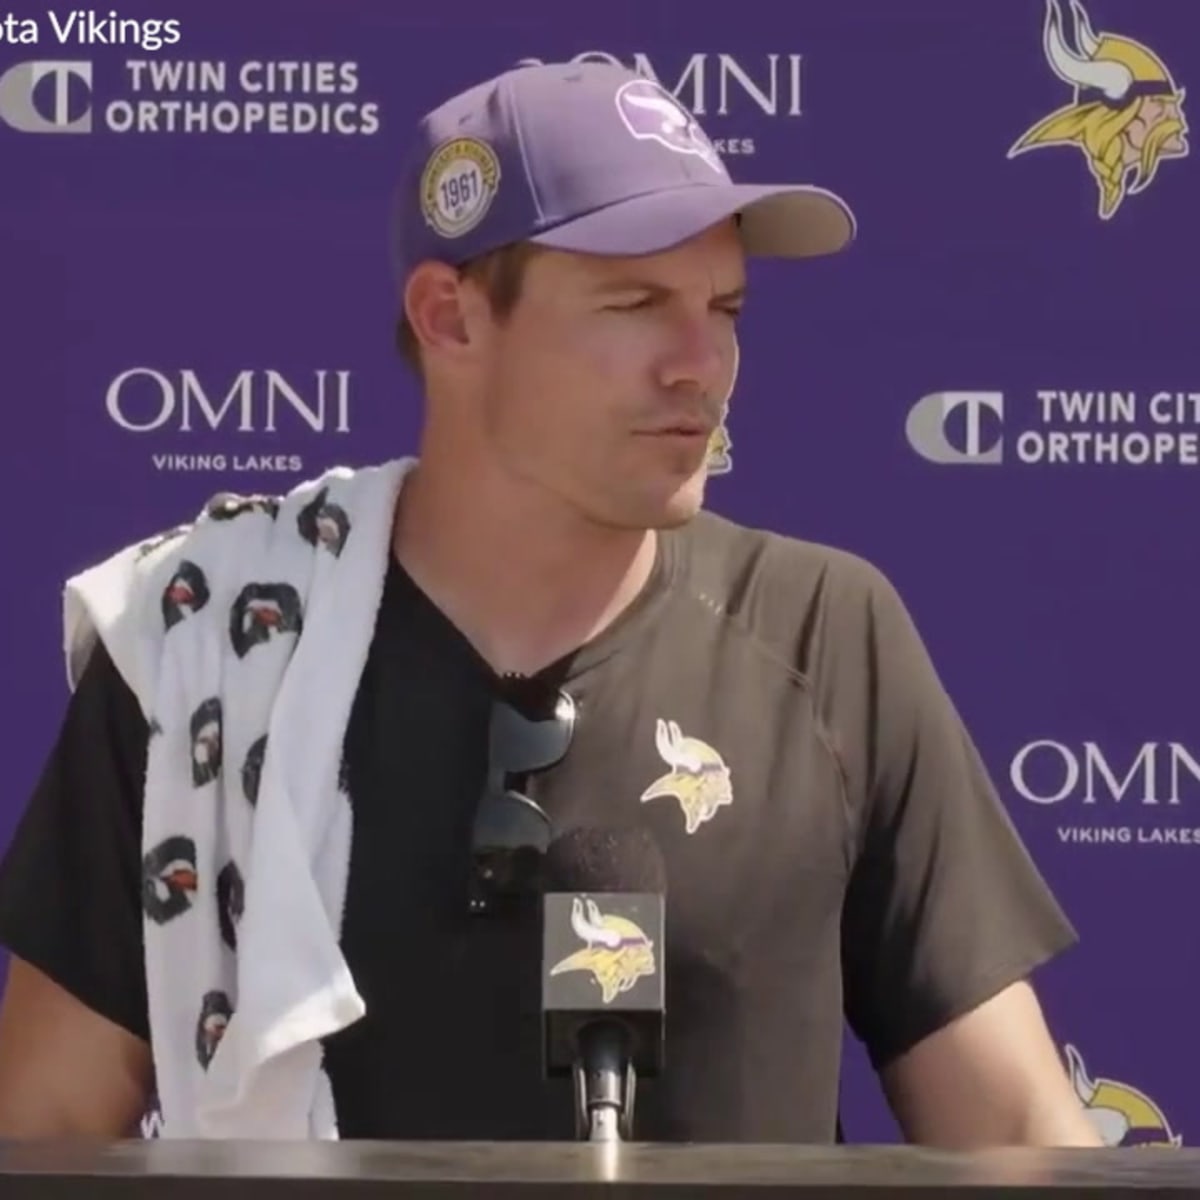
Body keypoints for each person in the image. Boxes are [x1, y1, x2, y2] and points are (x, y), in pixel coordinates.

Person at [0, 60, 1101, 1148]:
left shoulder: (826, 630)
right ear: (451, 319)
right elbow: (44, 1125)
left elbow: (1010, 1121)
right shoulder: (214, 651)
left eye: (724, 307)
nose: (702, 364)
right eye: (637, 305)